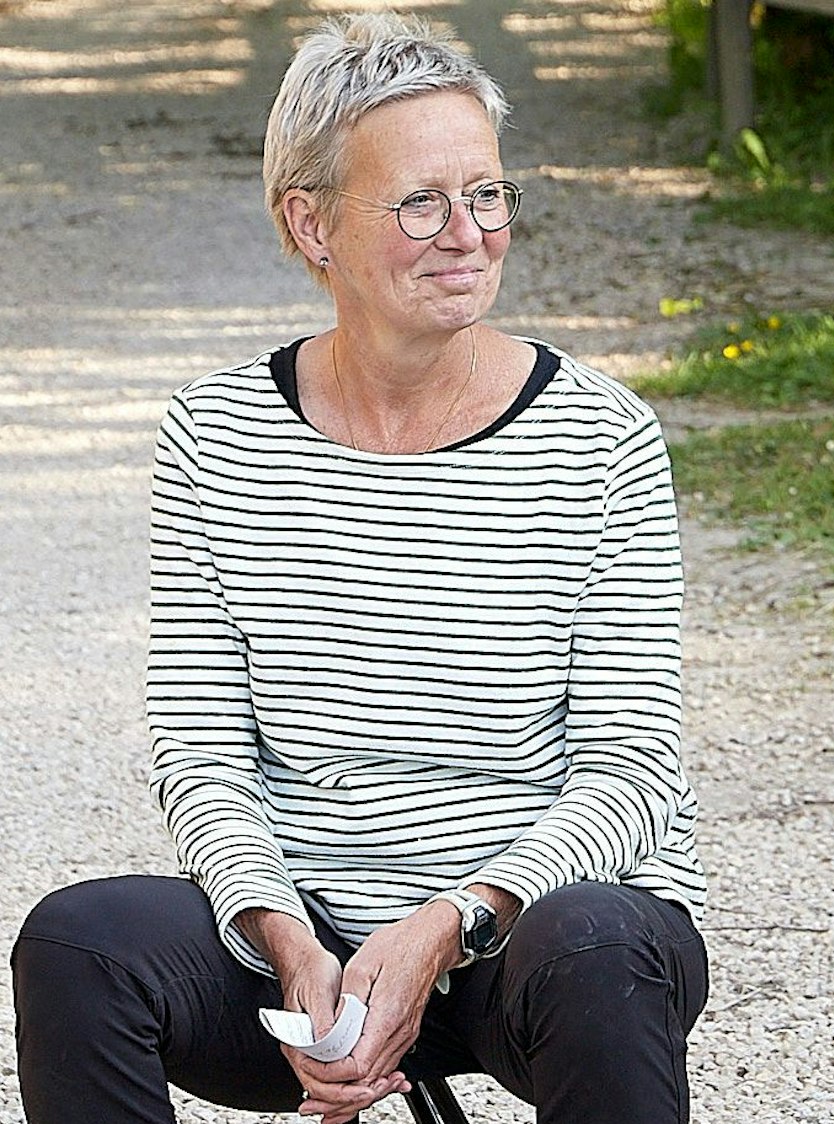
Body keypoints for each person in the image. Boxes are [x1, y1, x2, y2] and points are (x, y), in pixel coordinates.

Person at [10, 14, 707, 1124]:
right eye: (420, 201)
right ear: (313, 223)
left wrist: (452, 920)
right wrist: (286, 938)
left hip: (528, 935)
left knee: (601, 935)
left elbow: (633, 769)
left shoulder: (602, 439)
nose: (467, 232)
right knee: (78, 939)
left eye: (486, 193)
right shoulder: (215, 434)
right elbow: (200, 751)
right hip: (309, 961)